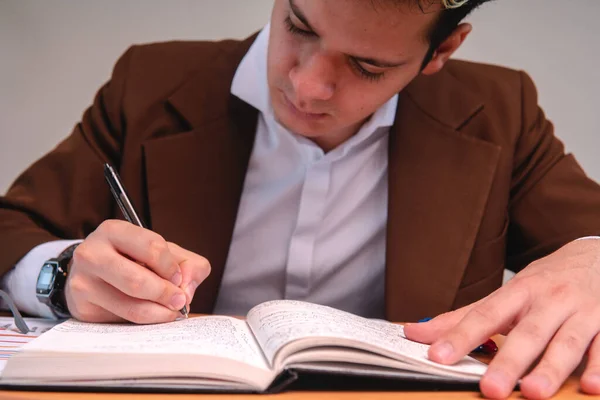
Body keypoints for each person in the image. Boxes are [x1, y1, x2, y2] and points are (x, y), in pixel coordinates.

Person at [1, 0, 599, 398]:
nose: (306, 85)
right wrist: (59, 274)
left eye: (367, 66)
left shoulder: (500, 111)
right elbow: (12, 229)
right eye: (300, 27)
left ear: (440, 52)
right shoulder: (150, 83)